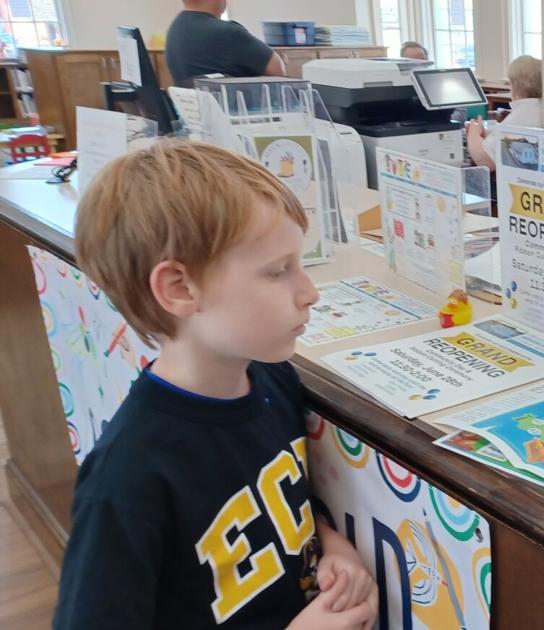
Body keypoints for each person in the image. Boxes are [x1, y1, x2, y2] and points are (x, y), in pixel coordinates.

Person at [53, 142, 378, 630]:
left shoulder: (272, 380)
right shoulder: (126, 481)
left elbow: (280, 509)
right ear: (180, 289)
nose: (310, 292)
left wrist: (331, 545)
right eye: (278, 271)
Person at [166, 0, 287, 88]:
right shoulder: (228, 32)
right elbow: (278, 71)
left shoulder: (174, 30)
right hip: (238, 112)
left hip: (195, 113)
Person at [466, 55, 543, 171]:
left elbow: (485, 160)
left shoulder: (522, 115)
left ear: (514, 85)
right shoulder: (539, 108)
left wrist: (473, 133)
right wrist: (492, 135)